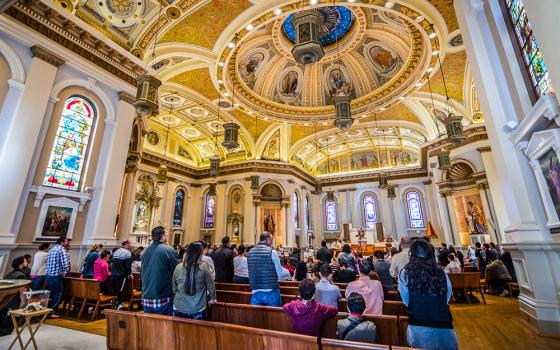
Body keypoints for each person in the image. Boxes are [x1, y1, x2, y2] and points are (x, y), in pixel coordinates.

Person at [399, 239, 458, 350]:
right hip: (442, 323)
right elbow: (447, 296)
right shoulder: (441, 272)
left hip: (418, 323)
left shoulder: (405, 273)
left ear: (412, 254)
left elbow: (406, 300)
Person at [173, 242, 216, 320]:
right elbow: (210, 285)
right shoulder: (204, 267)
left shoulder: (178, 267)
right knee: (197, 332)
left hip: (179, 306)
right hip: (197, 307)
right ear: (199, 254)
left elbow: (174, 287)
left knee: (179, 331)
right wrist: (212, 298)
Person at [142, 226, 179, 315]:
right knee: (163, 326)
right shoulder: (168, 250)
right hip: (162, 295)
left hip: (147, 295)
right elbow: (176, 271)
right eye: (166, 234)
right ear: (162, 237)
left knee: (149, 326)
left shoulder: (145, 251)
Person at [248, 232, 283, 306]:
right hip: (270, 291)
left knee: (257, 317)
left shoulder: (250, 252)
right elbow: (280, 273)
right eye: (271, 240)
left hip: (255, 291)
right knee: (273, 316)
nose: (272, 242)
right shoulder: (272, 252)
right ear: (267, 239)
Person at [45, 237, 70, 317]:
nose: (67, 243)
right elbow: (65, 263)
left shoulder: (52, 249)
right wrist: (65, 272)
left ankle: (46, 310)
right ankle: (51, 311)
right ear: (62, 242)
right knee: (58, 293)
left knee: (50, 293)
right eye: (66, 241)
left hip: (49, 275)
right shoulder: (61, 249)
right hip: (56, 275)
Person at [111, 240, 133, 310]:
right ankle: (118, 305)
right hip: (121, 275)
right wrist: (129, 274)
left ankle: (114, 304)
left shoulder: (116, 252)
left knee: (115, 290)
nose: (130, 246)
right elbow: (128, 266)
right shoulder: (127, 253)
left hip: (113, 274)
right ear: (126, 244)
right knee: (120, 291)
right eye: (129, 244)